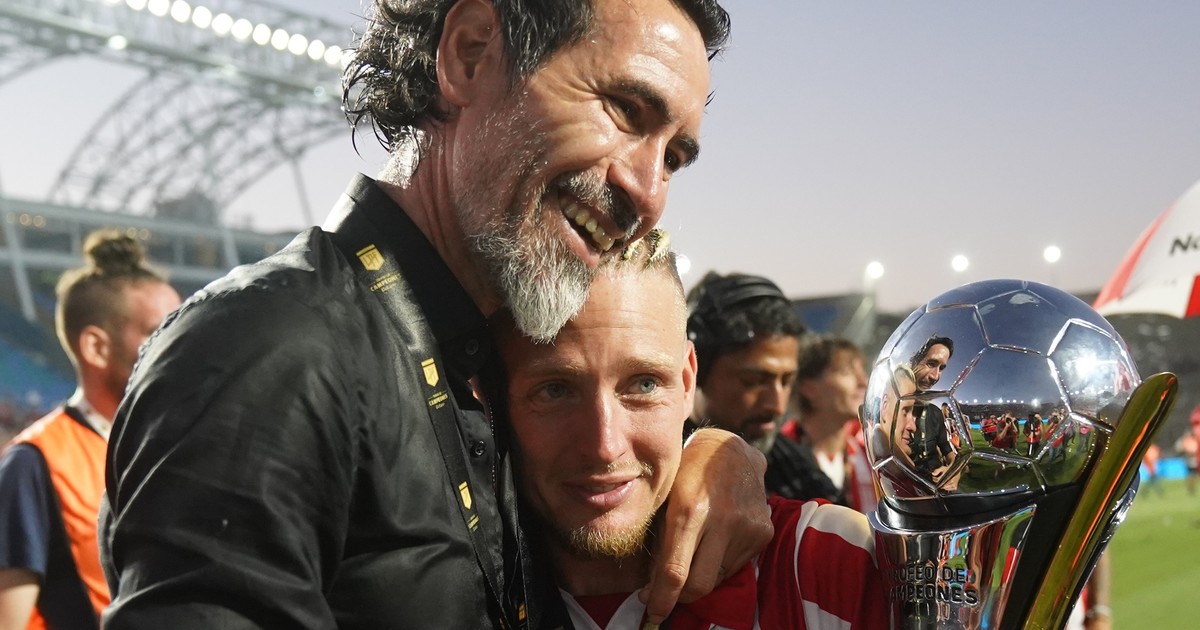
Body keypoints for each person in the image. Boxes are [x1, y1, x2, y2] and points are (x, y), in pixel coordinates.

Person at [99, 1, 770, 629]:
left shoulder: (489, 349)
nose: (648, 193)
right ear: (471, 55)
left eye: (673, 157)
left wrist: (714, 455)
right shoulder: (271, 349)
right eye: (625, 110)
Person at [496, 231, 887, 629]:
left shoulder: (824, 567)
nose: (605, 446)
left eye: (644, 384)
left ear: (686, 381)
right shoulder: (460, 580)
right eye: (555, 390)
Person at [0, 231, 180, 630]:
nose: (180, 347)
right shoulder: (34, 463)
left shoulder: (176, 447)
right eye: (160, 332)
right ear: (97, 347)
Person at [787, 336, 876, 512]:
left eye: (862, 371)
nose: (863, 382)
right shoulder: (778, 462)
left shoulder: (874, 450)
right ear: (809, 389)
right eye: (847, 372)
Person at [908, 336, 957, 481]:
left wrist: (953, 471)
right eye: (931, 364)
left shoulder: (934, 413)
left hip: (936, 487)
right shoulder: (888, 410)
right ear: (913, 361)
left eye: (941, 368)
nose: (935, 377)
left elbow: (948, 451)